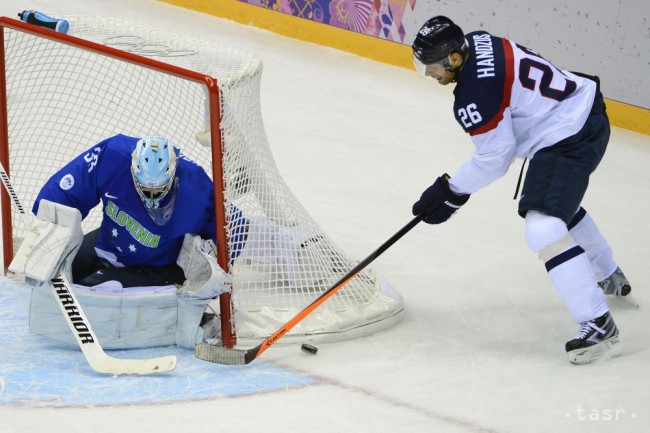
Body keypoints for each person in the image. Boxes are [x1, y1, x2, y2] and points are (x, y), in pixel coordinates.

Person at [410, 16, 635, 364]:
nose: (428, 74)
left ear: (455, 58)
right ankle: (607, 273)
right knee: (558, 207)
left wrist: (449, 192)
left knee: (543, 226)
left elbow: (495, 160)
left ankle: (598, 323)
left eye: (432, 67)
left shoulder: (473, 94)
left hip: (569, 134)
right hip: (582, 110)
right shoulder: (478, 40)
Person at [9, 134, 232, 349]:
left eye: (159, 190)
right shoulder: (113, 155)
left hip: (154, 269)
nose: (152, 196)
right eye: (146, 189)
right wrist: (51, 225)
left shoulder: (198, 190)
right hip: (105, 245)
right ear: (133, 170)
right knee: (54, 277)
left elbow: (234, 229)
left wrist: (217, 269)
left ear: (173, 175)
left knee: (87, 295)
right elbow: (67, 189)